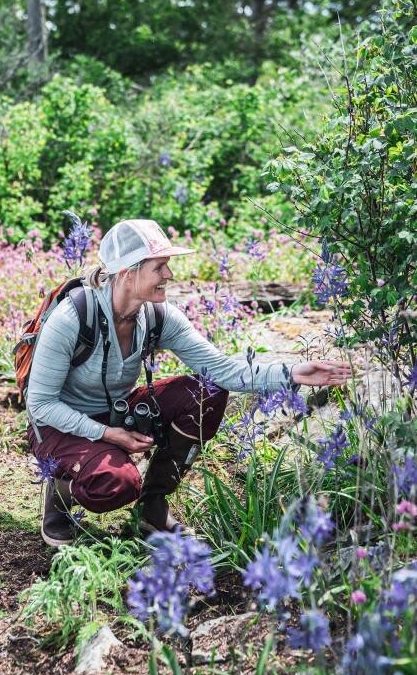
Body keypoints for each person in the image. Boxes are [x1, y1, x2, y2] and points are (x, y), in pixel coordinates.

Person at [26, 219, 351, 547]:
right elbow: (40, 404)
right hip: (59, 425)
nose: (169, 275)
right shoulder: (71, 319)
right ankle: (62, 489)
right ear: (127, 273)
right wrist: (108, 435)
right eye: (160, 267)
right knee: (118, 483)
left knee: (204, 393)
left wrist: (292, 372)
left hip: (114, 413)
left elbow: (221, 370)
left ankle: (151, 508)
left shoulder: (157, 315)